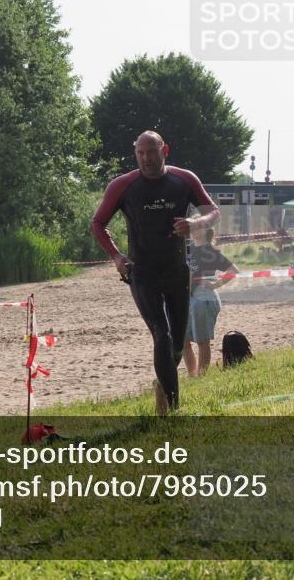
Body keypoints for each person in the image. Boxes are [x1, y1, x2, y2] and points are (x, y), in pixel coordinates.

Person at [91, 131, 219, 416]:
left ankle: (162, 386)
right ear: (135, 153)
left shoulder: (184, 179)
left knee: (176, 343)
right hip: (142, 272)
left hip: (176, 271)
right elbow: (98, 223)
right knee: (160, 335)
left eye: (151, 152)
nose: (146, 159)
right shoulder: (123, 185)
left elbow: (212, 210)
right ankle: (173, 411)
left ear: (165, 150)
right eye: (140, 153)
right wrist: (116, 256)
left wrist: (194, 223)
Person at [183, 228, 238, 377]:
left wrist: (215, 285)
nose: (191, 229)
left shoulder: (211, 252)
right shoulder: (187, 248)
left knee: (202, 341)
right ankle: (192, 375)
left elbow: (234, 270)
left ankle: (201, 377)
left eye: (196, 226)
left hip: (204, 298)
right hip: (185, 299)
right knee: (183, 341)